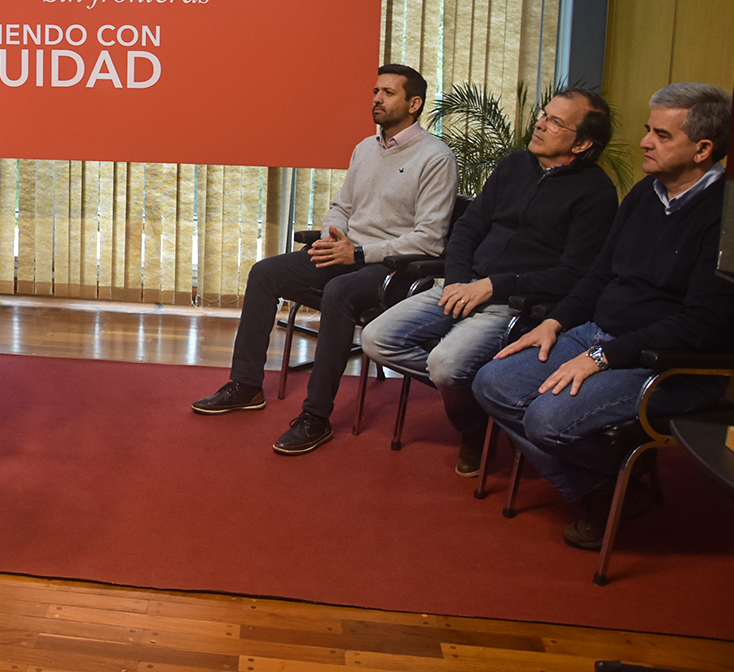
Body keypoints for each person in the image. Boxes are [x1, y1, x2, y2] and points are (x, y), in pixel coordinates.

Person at [474, 82, 734, 549]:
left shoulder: (726, 216)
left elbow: (701, 323)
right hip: (599, 334)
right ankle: (613, 486)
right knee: (491, 383)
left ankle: (607, 487)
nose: (644, 142)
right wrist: (554, 322)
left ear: (702, 150)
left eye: (661, 135)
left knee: (546, 420)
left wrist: (602, 358)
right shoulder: (645, 193)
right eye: (648, 130)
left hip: (668, 362)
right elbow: (597, 275)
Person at [192, 64, 459, 456]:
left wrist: (360, 252)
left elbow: (430, 239)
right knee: (265, 273)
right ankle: (246, 386)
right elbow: (342, 207)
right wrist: (332, 236)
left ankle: (315, 417)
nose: (377, 99)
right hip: (347, 253)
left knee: (338, 292)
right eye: (375, 91)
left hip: (393, 270)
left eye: (388, 93)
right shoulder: (365, 148)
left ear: (414, 103)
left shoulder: (436, 158)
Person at [361, 88, 618, 476]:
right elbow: (468, 227)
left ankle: (471, 427)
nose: (540, 124)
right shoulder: (515, 165)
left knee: (446, 365)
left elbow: (573, 274)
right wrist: (456, 281)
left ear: (582, 143)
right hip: (462, 284)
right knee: (376, 339)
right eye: (543, 114)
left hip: (513, 302)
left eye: (554, 122)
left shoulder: (596, 193)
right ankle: (479, 404)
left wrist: (492, 286)